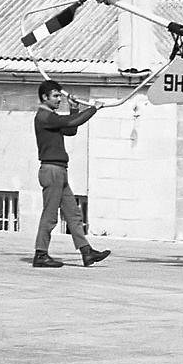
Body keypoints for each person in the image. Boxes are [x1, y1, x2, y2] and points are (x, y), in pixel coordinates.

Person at [31, 79, 110, 268]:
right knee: (50, 215)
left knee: (73, 214)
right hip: (51, 171)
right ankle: (40, 254)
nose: (59, 99)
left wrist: (74, 108)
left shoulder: (52, 117)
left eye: (60, 95)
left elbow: (71, 129)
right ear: (44, 97)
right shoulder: (44, 116)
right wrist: (93, 109)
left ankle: (86, 252)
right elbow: (71, 122)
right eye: (55, 96)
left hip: (60, 170)